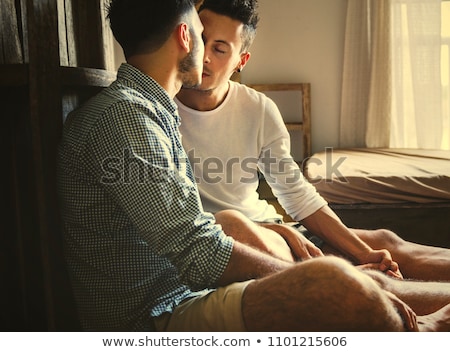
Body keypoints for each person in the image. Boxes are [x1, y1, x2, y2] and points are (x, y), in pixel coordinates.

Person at [57, 0, 450, 332]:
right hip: (157, 313)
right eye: (200, 30)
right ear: (185, 36)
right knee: (339, 280)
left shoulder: (146, 110)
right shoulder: (127, 118)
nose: (207, 51)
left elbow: (199, 234)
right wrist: (310, 276)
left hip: (179, 289)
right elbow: (199, 251)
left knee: (363, 256)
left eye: (222, 47)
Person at [175, 0, 450, 283]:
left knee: (385, 242)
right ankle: (352, 280)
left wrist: (365, 253)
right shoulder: (158, 109)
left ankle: (359, 269)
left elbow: (296, 194)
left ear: (240, 62)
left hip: (271, 228)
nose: (204, 56)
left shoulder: (257, 109)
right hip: (231, 239)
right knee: (353, 273)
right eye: (200, 40)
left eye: (220, 49)